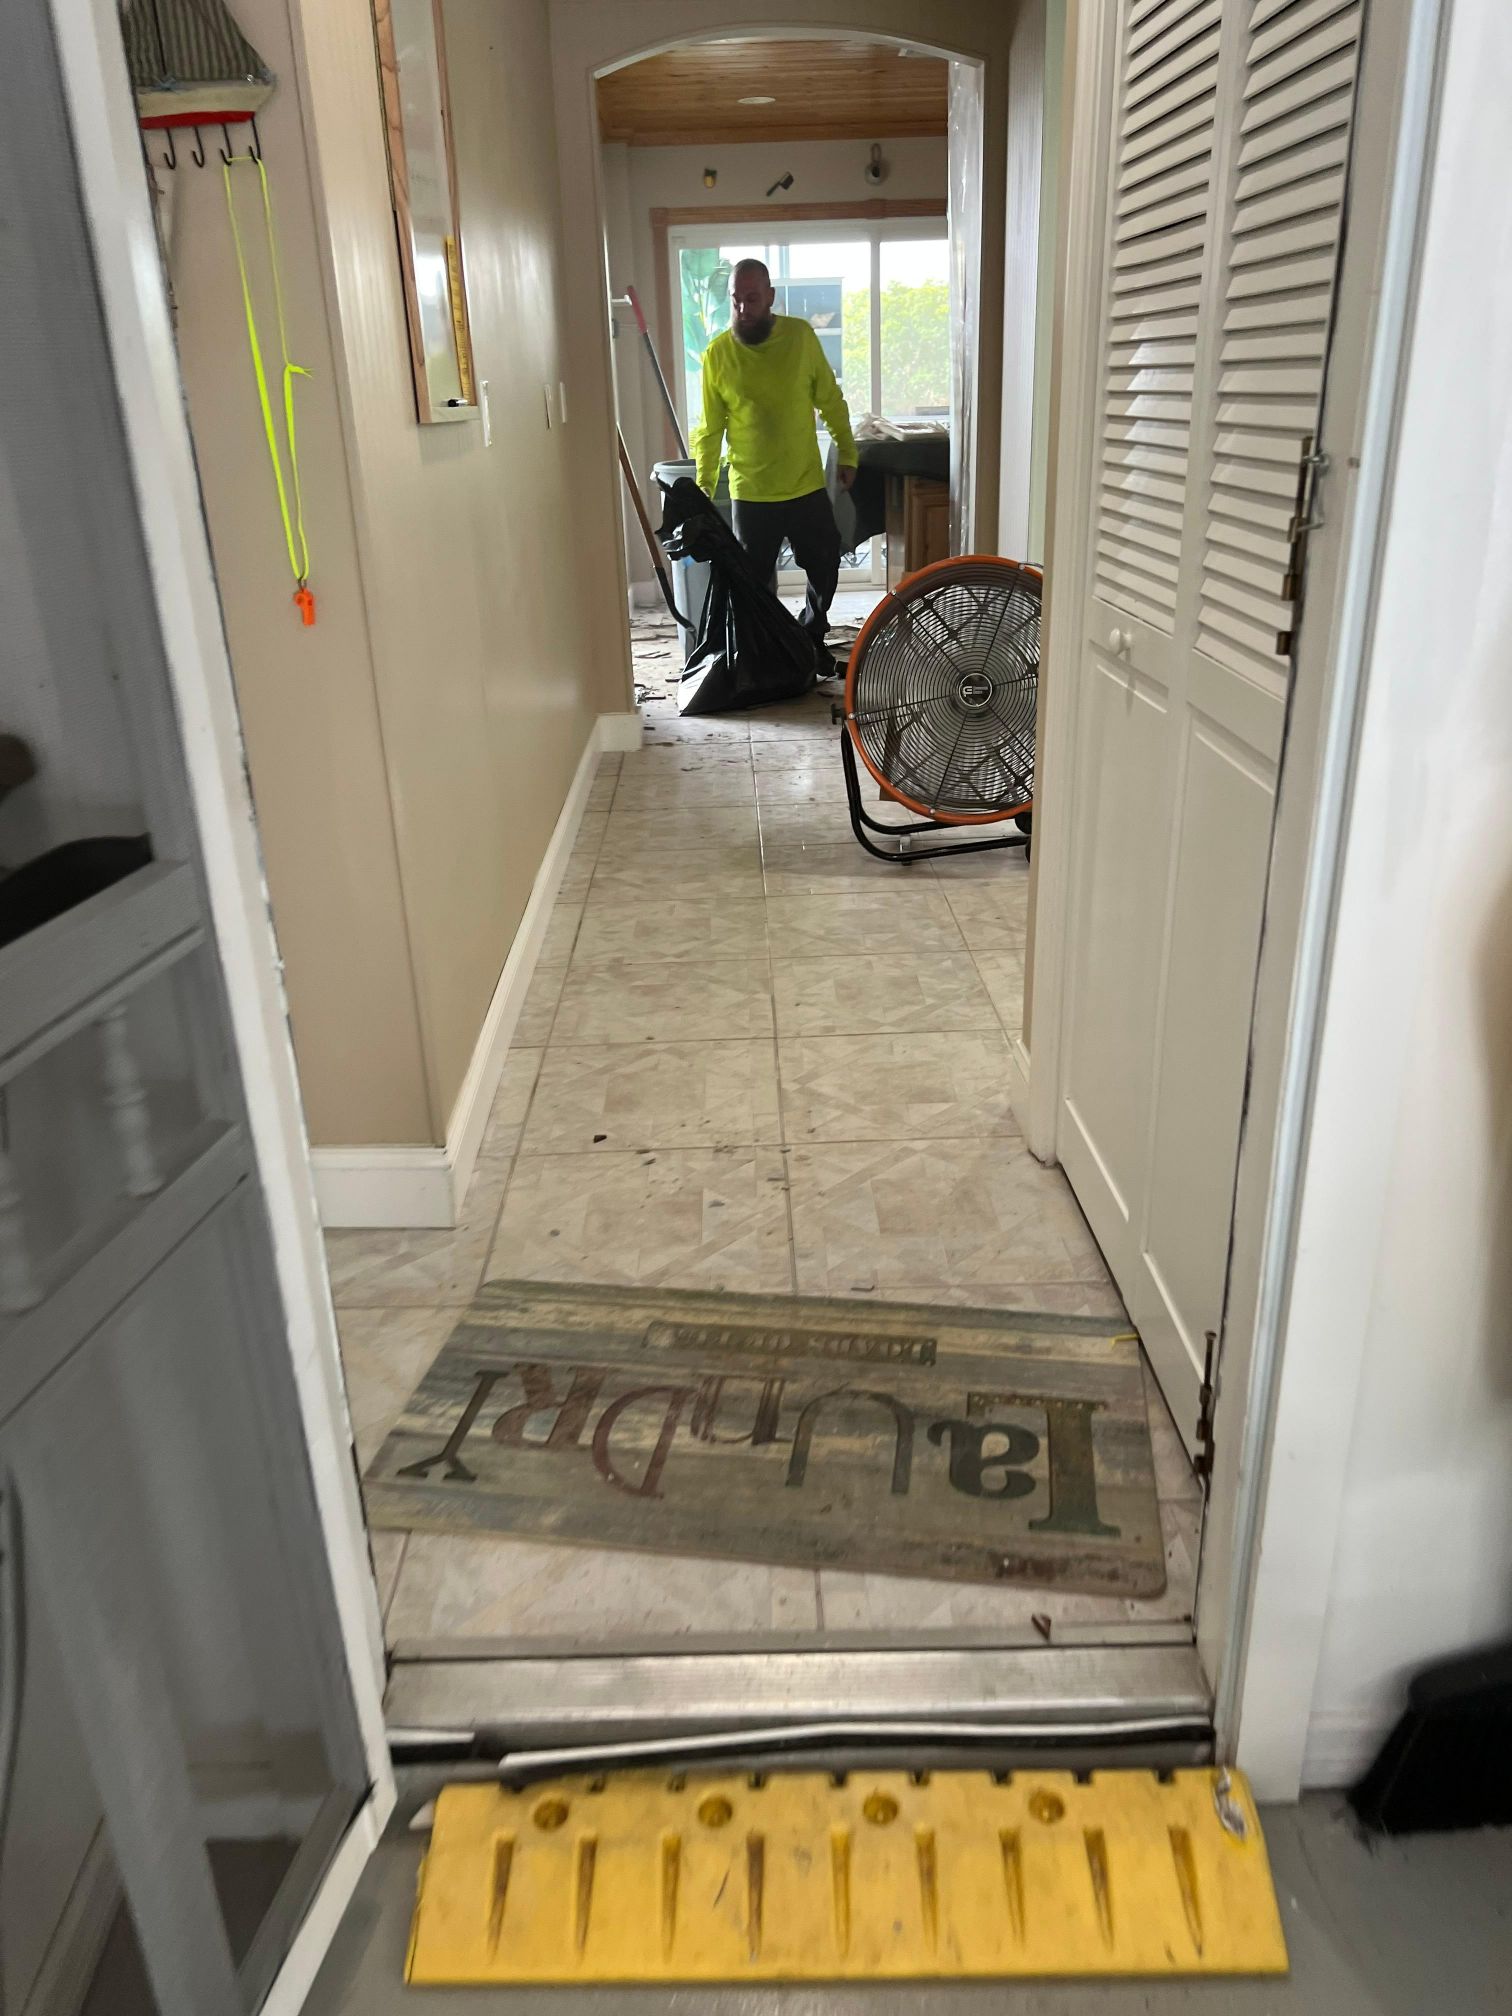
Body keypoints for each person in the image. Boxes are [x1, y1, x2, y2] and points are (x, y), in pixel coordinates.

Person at [691, 258, 858, 665]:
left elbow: (829, 399)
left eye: (752, 299)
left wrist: (848, 450)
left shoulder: (799, 337)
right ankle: (768, 653)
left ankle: (811, 635)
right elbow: (710, 430)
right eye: (736, 301)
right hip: (751, 491)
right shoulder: (718, 355)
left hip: (804, 484)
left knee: (824, 561)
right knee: (754, 583)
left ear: (770, 297)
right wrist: (702, 486)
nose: (743, 310)